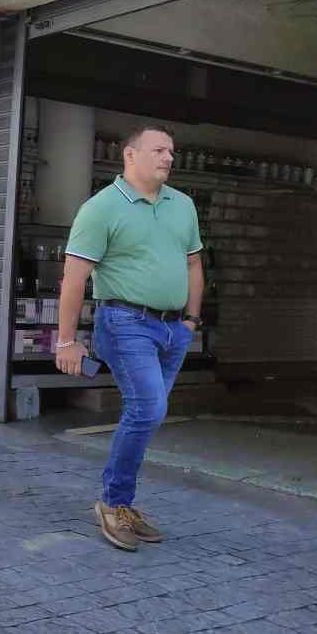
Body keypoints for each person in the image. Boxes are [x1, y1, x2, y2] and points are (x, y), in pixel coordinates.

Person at [56, 125, 203, 552]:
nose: (168, 158)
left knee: (148, 414)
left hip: (173, 329)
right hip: (125, 322)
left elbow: (194, 264)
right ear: (130, 155)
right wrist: (66, 341)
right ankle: (113, 503)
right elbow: (74, 278)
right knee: (148, 409)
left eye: (171, 151)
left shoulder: (183, 205)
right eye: (158, 150)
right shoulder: (101, 208)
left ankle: (121, 502)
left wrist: (191, 320)